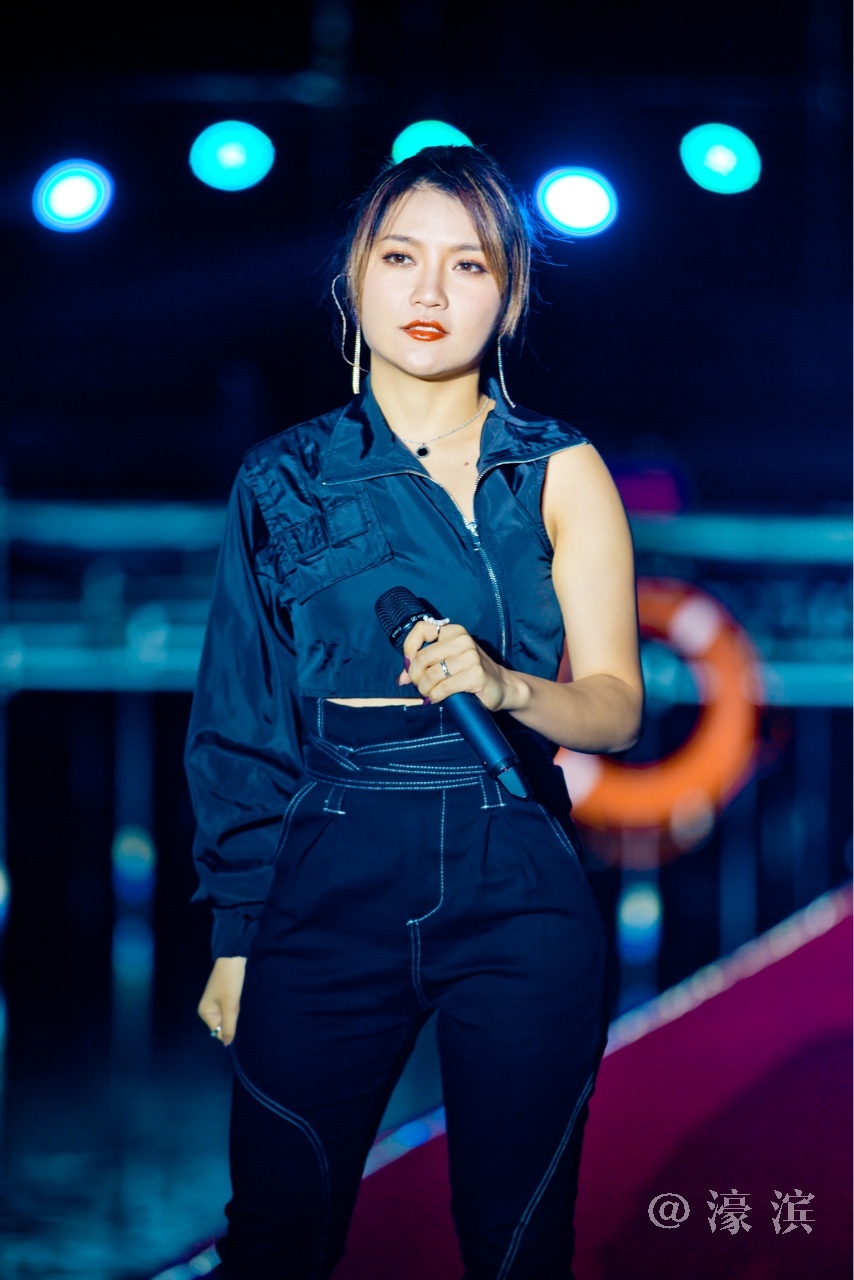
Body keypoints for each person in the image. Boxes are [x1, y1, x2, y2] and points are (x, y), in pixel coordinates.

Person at [185, 143, 643, 1280]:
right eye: (400, 258)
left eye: (468, 264)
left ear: (509, 293)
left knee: (516, 1248)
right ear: (355, 276)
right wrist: (237, 935)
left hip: (515, 866)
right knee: (275, 1243)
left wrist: (504, 684)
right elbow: (241, 721)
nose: (430, 290)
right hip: (329, 875)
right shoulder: (281, 478)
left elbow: (615, 707)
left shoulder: (557, 468)